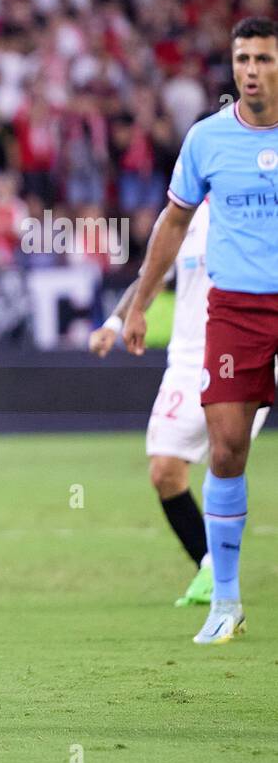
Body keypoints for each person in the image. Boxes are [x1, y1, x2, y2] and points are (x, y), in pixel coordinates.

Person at [124, 17, 278, 645]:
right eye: (243, 58)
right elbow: (172, 221)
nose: (251, 69)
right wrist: (137, 304)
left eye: (263, 59)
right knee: (225, 451)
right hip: (236, 311)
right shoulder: (208, 139)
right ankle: (226, 597)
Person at [91, 197, 269, 606]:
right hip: (188, 360)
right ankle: (209, 566)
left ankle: (225, 587)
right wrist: (116, 322)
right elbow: (150, 275)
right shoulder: (181, 215)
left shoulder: (259, 203)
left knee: (224, 459)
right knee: (164, 470)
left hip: (243, 354)